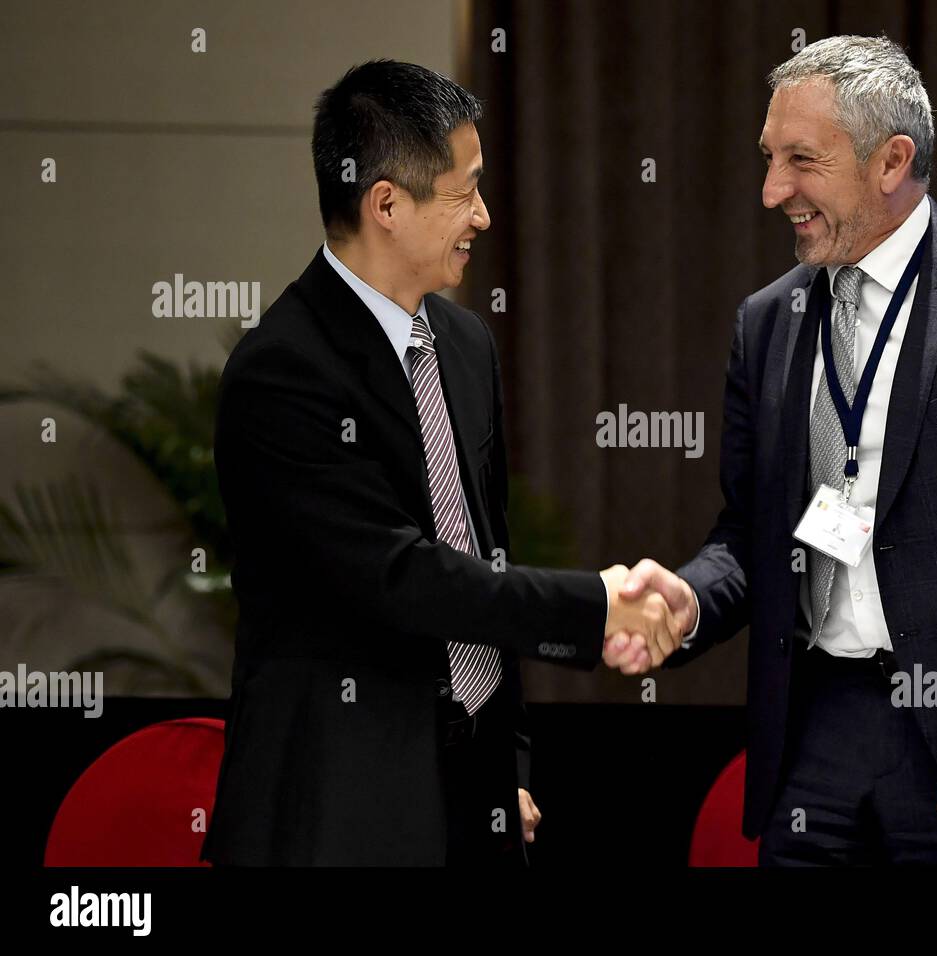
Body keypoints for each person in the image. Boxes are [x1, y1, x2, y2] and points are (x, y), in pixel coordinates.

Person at [615, 35, 937, 865]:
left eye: (801, 161)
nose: (772, 190)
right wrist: (689, 599)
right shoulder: (766, 323)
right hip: (817, 736)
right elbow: (751, 532)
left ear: (892, 161)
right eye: (768, 158)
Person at [201, 60, 680, 867]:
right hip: (342, 808)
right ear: (386, 203)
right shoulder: (281, 370)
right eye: (465, 191)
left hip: (477, 798)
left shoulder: (463, 345)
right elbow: (403, 578)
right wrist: (596, 607)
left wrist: (508, 767)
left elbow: (484, 548)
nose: (485, 217)